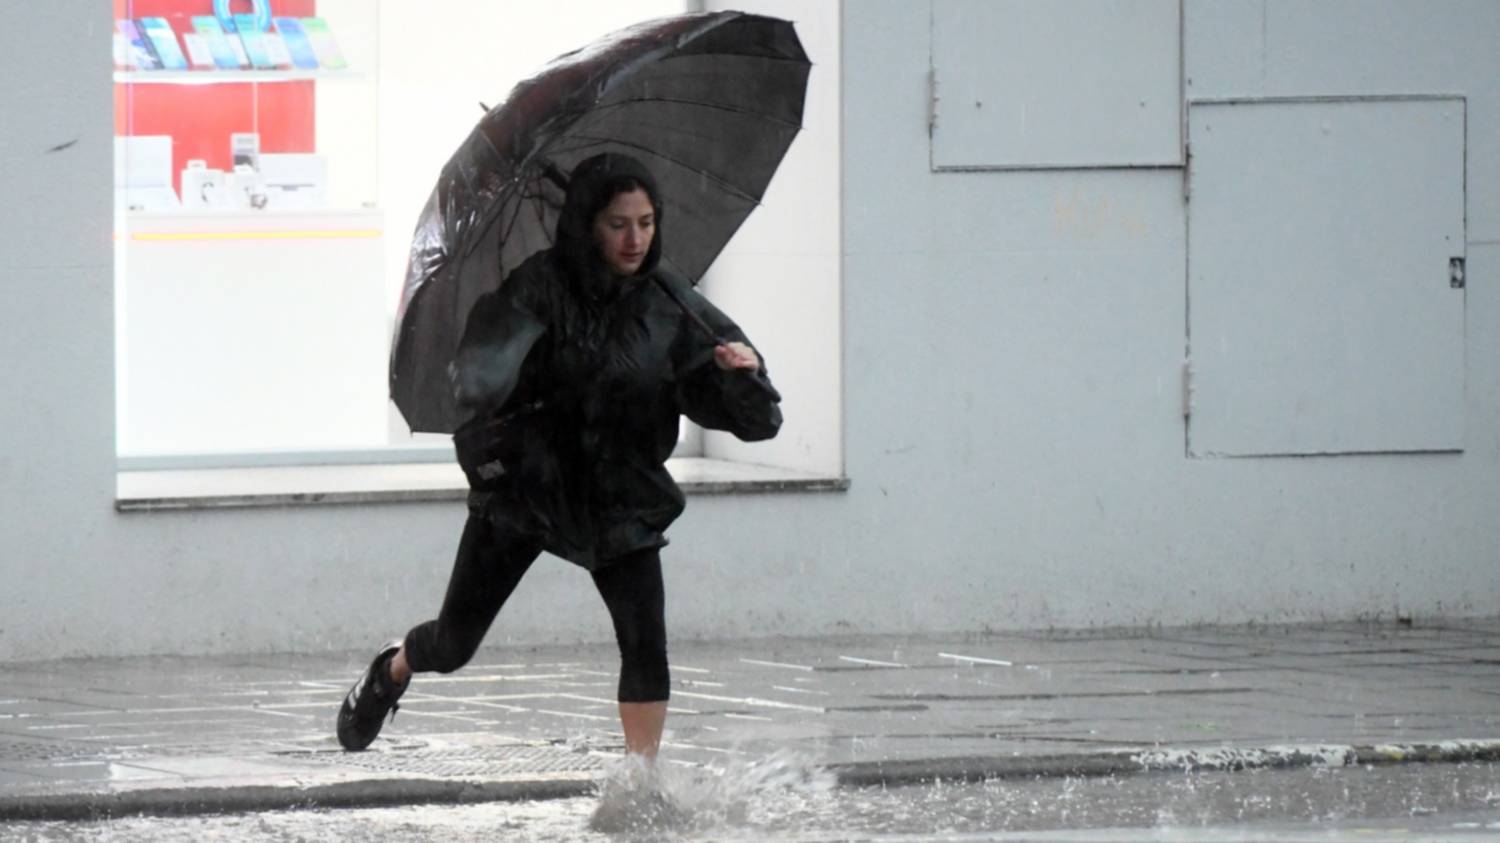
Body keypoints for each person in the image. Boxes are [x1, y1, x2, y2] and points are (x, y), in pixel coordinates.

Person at [337, 153, 782, 759]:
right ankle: (393, 668)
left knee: (645, 644)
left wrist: (743, 379)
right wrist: (519, 375)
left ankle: (640, 783)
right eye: (618, 224)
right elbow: (472, 379)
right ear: (586, 225)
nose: (635, 239)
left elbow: (756, 421)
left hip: (619, 491)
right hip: (529, 488)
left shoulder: (668, 300)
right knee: (454, 642)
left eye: (647, 222)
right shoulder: (537, 286)